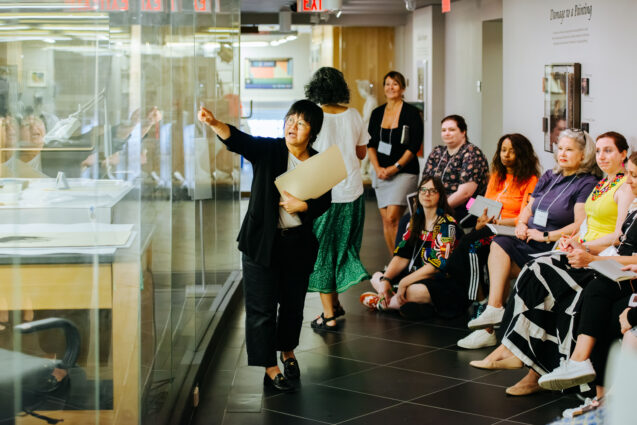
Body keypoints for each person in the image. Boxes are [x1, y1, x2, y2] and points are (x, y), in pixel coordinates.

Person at [470, 133, 633, 397]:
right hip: (581, 248)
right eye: (600, 151)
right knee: (530, 272)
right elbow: (586, 225)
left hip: (600, 256)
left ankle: (517, 352)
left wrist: (582, 247)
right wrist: (573, 241)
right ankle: (518, 354)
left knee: (540, 275)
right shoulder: (601, 183)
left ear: (623, 154)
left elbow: (618, 236)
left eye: (609, 151)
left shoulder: (624, 187)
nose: (602, 156)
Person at [198, 100, 331, 393]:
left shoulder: (318, 162)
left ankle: (287, 351)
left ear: (313, 131)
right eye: (289, 119)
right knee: (262, 308)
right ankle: (270, 367)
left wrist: (304, 205)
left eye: (301, 123)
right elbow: (240, 141)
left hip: (297, 245)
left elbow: (325, 201)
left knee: (293, 306)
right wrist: (214, 123)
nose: (292, 127)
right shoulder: (270, 150)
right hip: (261, 243)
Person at [466, 129, 601, 334]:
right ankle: (494, 311)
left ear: (583, 154)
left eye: (569, 150)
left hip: (552, 243)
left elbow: (579, 225)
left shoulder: (587, 182)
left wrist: (546, 235)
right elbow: (529, 208)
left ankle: (490, 327)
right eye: (560, 148)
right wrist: (521, 223)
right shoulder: (550, 175)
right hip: (528, 238)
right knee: (500, 242)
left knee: (501, 270)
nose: (562, 153)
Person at [450, 133, 540, 349]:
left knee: (470, 247)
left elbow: (527, 215)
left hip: (509, 230)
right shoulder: (497, 175)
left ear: (522, 153)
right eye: (503, 150)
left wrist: (502, 221)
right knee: (462, 245)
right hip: (490, 226)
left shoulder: (532, 180)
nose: (506, 155)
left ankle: (481, 303)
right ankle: (483, 301)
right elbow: (486, 204)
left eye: (511, 150)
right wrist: (482, 218)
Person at [303, 67, 370, 330]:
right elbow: (362, 153)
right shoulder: (353, 115)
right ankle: (335, 304)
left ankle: (328, 315)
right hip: (352, 192)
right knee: (343, 248)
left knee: (321, 252)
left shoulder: (312, 116)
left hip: (322, 193)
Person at [359, 176, 463, 319]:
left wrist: (403, 283)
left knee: (414, 291)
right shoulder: (415, 221)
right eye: (423, 190)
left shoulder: (447, 225)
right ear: (418, 194)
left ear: (440, 196)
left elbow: (434, 267)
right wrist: (386, 280)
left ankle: (384, 302)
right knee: (377, 277)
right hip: (414, 275)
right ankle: (399, 301)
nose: (427, 194)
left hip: (439, 281)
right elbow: (402, 255)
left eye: (433, 191)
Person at [367, 71, 424, 256]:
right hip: (380, 172)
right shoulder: (376, 113)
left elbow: (414, 145)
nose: (391, 88)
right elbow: (370, 144)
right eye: (388, 84)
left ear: (403, 88)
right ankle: (394, 262)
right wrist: (377, 169)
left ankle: (401, 262)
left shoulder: (412, 113)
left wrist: (395, 167)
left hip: (404, 172)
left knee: (394, 217)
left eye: (395, 84)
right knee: (386, 221)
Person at [423, 114, 490, 223]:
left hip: (463, 208)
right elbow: (425, 183)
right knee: (406, 221)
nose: (447, 133)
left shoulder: (472, 153)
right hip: (433, 204)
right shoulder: (437, 152)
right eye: (443, 130)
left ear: (463, 132)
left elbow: (465, 194)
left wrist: (438, 209)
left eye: (452, 130)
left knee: (432, 223)